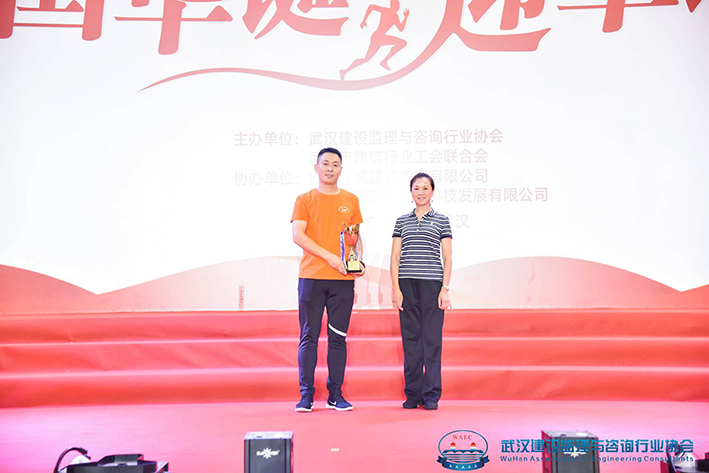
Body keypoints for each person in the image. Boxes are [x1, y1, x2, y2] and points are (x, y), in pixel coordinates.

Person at [291, 147, 366, 412]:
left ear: (341, 169)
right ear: (317, 168)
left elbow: (354, 238)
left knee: (338, 339)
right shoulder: (304, 199)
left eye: (335, 164)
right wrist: (330, 258)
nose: (330, 168)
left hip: (342, 281)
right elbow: (298, 235)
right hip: (311, 277)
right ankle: (306, 395)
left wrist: (357, 264)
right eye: (325, 164)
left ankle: (335, 395)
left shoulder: (351, 200)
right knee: (308, 337)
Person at [390, 172, 452, 410]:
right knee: (411, 341)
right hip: (407, 285)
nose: (421, 192)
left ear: (432, 192)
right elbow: (395, 257)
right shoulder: (401, 221)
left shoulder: (442, 220)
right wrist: (396, 289)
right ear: (411, 192)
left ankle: (431, 394)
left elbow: (447, 257)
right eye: (416, 188)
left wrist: (444, 289)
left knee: (432, 341)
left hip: (432, 285)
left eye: (425, 188)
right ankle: (413, 393)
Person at [339, 0, 410, 80]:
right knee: (366, 59)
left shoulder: (395, 16)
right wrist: (364, 20)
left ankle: (345, 71)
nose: (399, 7)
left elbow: (401, 28)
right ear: (393, 5)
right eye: (398, 5)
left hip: (380, 37)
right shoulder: (386, 11)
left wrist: (405, 17)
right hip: (378, 37)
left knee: (402, 43)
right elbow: (371, 6)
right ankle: (345, 71)